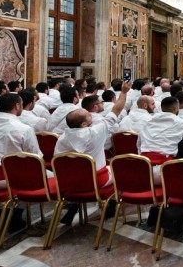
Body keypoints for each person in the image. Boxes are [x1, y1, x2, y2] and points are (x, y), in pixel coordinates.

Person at [53, 82, 130, 224]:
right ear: (83, 124)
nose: (91, 116)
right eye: (89, 115)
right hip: (95, 180)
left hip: (68, 181)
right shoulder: (95, 132)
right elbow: (116, 110)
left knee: (81, 172)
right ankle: (111, 205)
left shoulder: (62, 138)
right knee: (121, 169)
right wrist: (124, 92)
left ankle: (75, 204)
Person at [138, 96, 183, 172]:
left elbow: (139, 144)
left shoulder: (146, 121)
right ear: (175, 109)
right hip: (168, 168)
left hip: (143, 166)